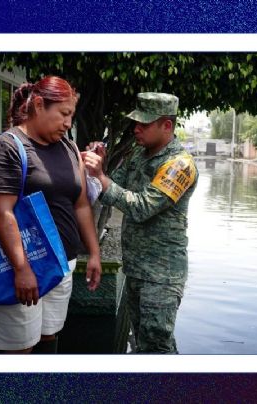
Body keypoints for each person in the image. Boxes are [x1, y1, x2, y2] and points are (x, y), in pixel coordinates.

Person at [0, 76, 102, 354]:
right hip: (20, 270)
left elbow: (80, 204)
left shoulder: (69, 147)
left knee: (49, 339)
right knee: (19, 352)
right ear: (38, 104)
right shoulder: (7, 147)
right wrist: (22, 269)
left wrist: (93, 253)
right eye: (64, 114)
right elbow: (1, 212)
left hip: (62, 265)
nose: (69, 124)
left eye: (71, 115)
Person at [82, 92, 198, 354]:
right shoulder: (139, 154)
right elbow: (114, 185)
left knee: (157, 344)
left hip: (162, 275)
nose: (136, 129)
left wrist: (101, 176)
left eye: (144, 124)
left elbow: (143, 206)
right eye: (136, 122)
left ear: (166, 126)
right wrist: (99, 164)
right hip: (135, 268)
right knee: (143, 341)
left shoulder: (179, 164)